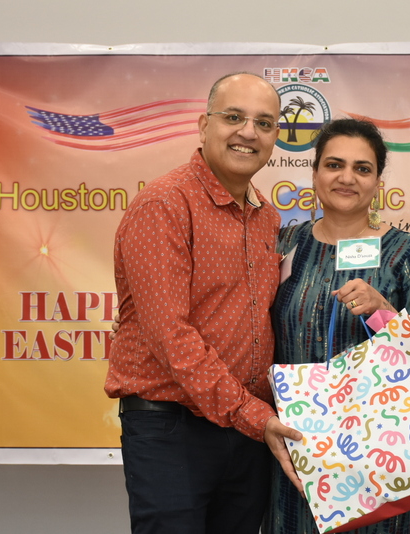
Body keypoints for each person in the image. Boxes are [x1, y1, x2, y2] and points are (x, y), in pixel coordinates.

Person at [105, 72, 302, 534]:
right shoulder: (165, 205)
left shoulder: (266, 217)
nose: (248, 132)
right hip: (173, 430)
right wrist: (254, 415)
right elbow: (170, 337)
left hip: (247, 433)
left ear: (275, 136)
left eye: (264, 123)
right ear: (203, 125)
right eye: (233, 117)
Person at [261, 118, 410, 534]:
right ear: (314, 174)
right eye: (334, 165)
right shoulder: (284, 243)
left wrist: (384, 313)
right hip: (297, 448)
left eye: (362, 169)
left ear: (378, 182)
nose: (347, 178)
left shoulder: (406, 253)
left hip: (383, 453)